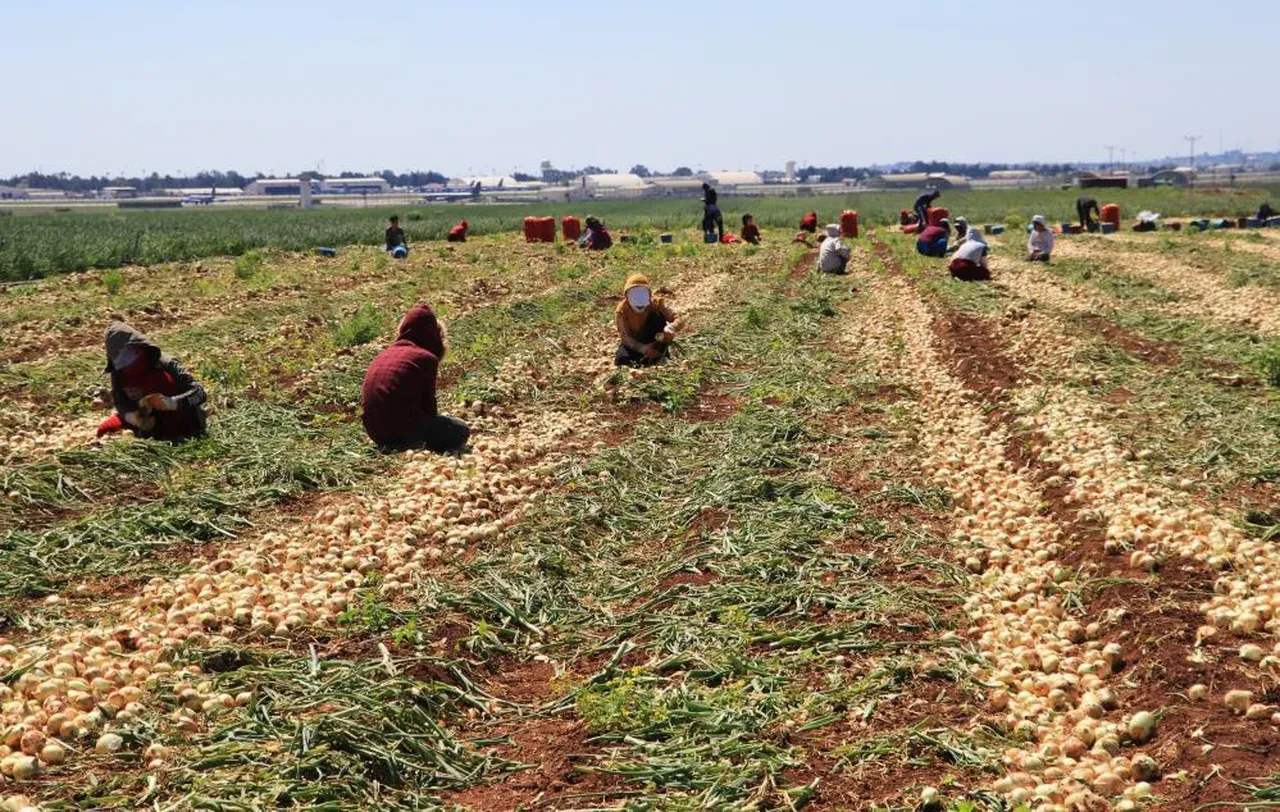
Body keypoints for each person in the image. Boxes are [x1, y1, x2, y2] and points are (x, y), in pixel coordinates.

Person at [360, 304, 469, 452]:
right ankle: (412, 444)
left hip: (376, 433)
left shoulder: (383, 355)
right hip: (406, 431)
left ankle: (396, 445)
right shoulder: (426, 358)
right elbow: (429, 407)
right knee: (460, 429)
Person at [99, 321, 207, 441]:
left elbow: (199, 393)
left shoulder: (166, 363)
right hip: (143, 419)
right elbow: (120, 402)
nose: (128, 366)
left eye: (130, 357)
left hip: (180, 418)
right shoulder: (119, 372)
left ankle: (169, 437)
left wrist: (171, 403)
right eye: (122, 362)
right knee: (105, 430)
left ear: (139, 348)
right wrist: (132, 418)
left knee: (155, 380)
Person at [614, 274, 679, 367]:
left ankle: (659, 354)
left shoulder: (656, 303)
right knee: (621, 360)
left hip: (655, 340)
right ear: (627, 296)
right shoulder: (621, 311)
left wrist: (672, 327)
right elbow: (625, 337)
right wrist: (642, 348)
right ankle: (647, 359)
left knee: (657, 318)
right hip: (636, 342)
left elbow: (678, 318)